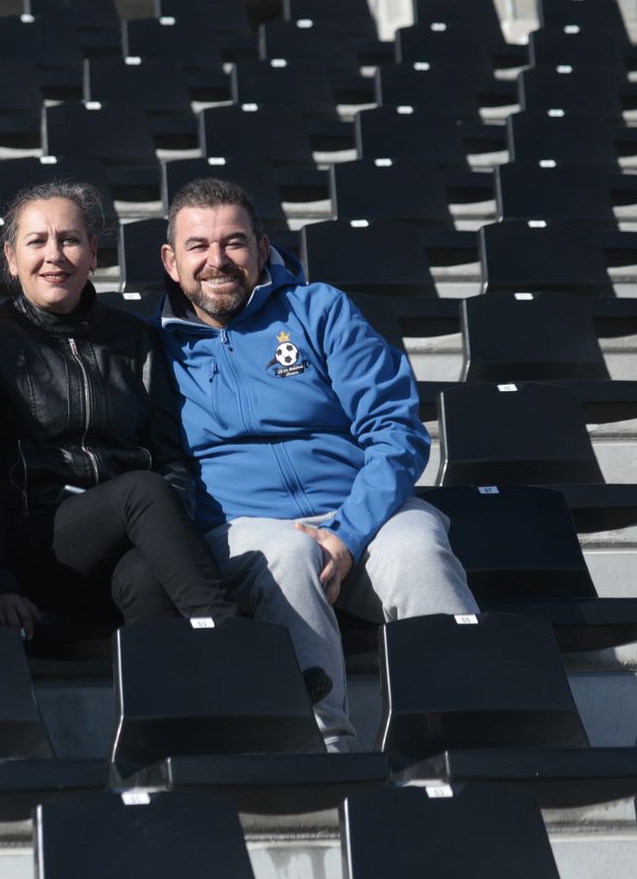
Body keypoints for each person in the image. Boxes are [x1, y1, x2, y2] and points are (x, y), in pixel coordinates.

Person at [157, 177, 477, 752]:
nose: (216, 260)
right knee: (287, 553)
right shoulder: (154, 348)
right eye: (198, 247)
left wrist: (349, 533)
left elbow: (396, 429)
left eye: (233, 242)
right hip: (244, 525)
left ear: (260, 247)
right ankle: (325, 749)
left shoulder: (319, 309)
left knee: (418, 549)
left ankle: (469, 738)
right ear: (171, 261)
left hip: (365, 510)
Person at [0, 181, 238, 637]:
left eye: (69, 239)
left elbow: (172, 460)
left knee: (147, 577)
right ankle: (235, 639)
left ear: (93, 253)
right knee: (142, 489)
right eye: (37, 241)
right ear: (11, 257)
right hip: (36, 540)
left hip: (128, 537)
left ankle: (167, 706)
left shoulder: (134, 337)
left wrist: (166, 530)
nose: (54, 255)